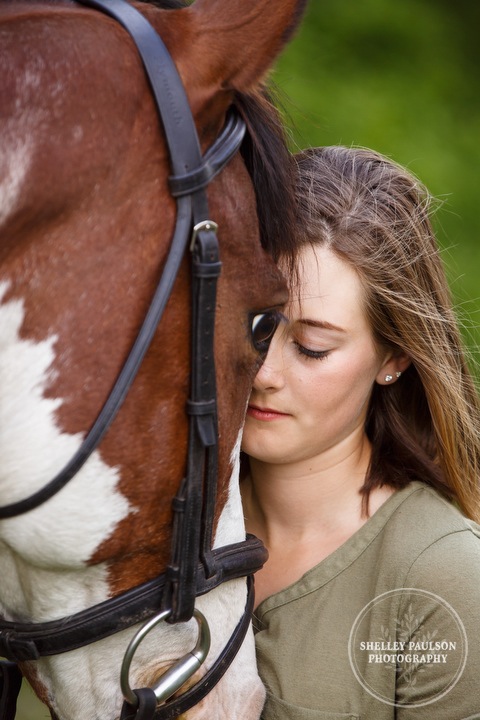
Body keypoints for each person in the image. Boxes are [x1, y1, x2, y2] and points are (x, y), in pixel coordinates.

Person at [240, 146, 480, 719]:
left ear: (392, 356)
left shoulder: (444, 579)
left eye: (312, 347)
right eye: (256, 326)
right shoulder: (161, 519)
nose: (264, 374)